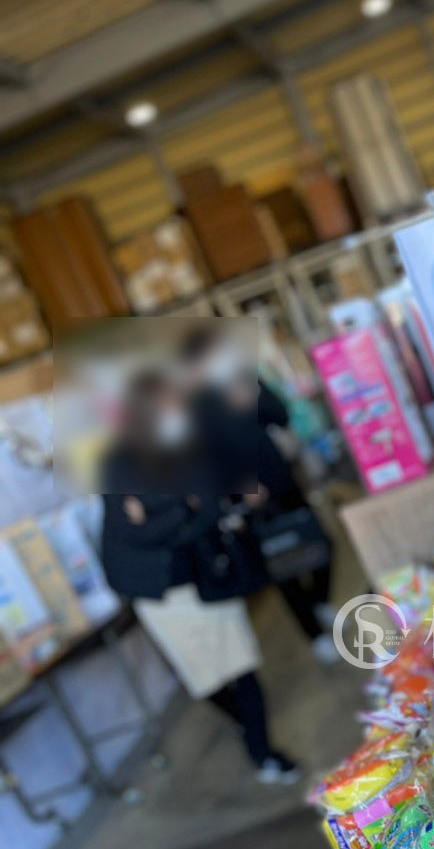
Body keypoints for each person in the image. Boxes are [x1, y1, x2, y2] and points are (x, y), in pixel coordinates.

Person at [99, 369, 300, 784]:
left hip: (207, 575)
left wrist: (161, 514)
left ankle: (263, 753)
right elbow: (127, 532)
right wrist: (182, 509)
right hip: (156, 590)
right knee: (204, 680)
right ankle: (246, 726)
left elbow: (205, 513)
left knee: (242, 666)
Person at [178, 327, 338, 663]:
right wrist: (238, 488)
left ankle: (320, 601)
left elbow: (280, 414)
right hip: (249, 497)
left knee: (320, 542)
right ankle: (313, 634)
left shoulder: (243, 379)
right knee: (282, 568)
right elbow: (205, 458)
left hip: (282, 479)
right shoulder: (195, 405)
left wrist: (254, 398)